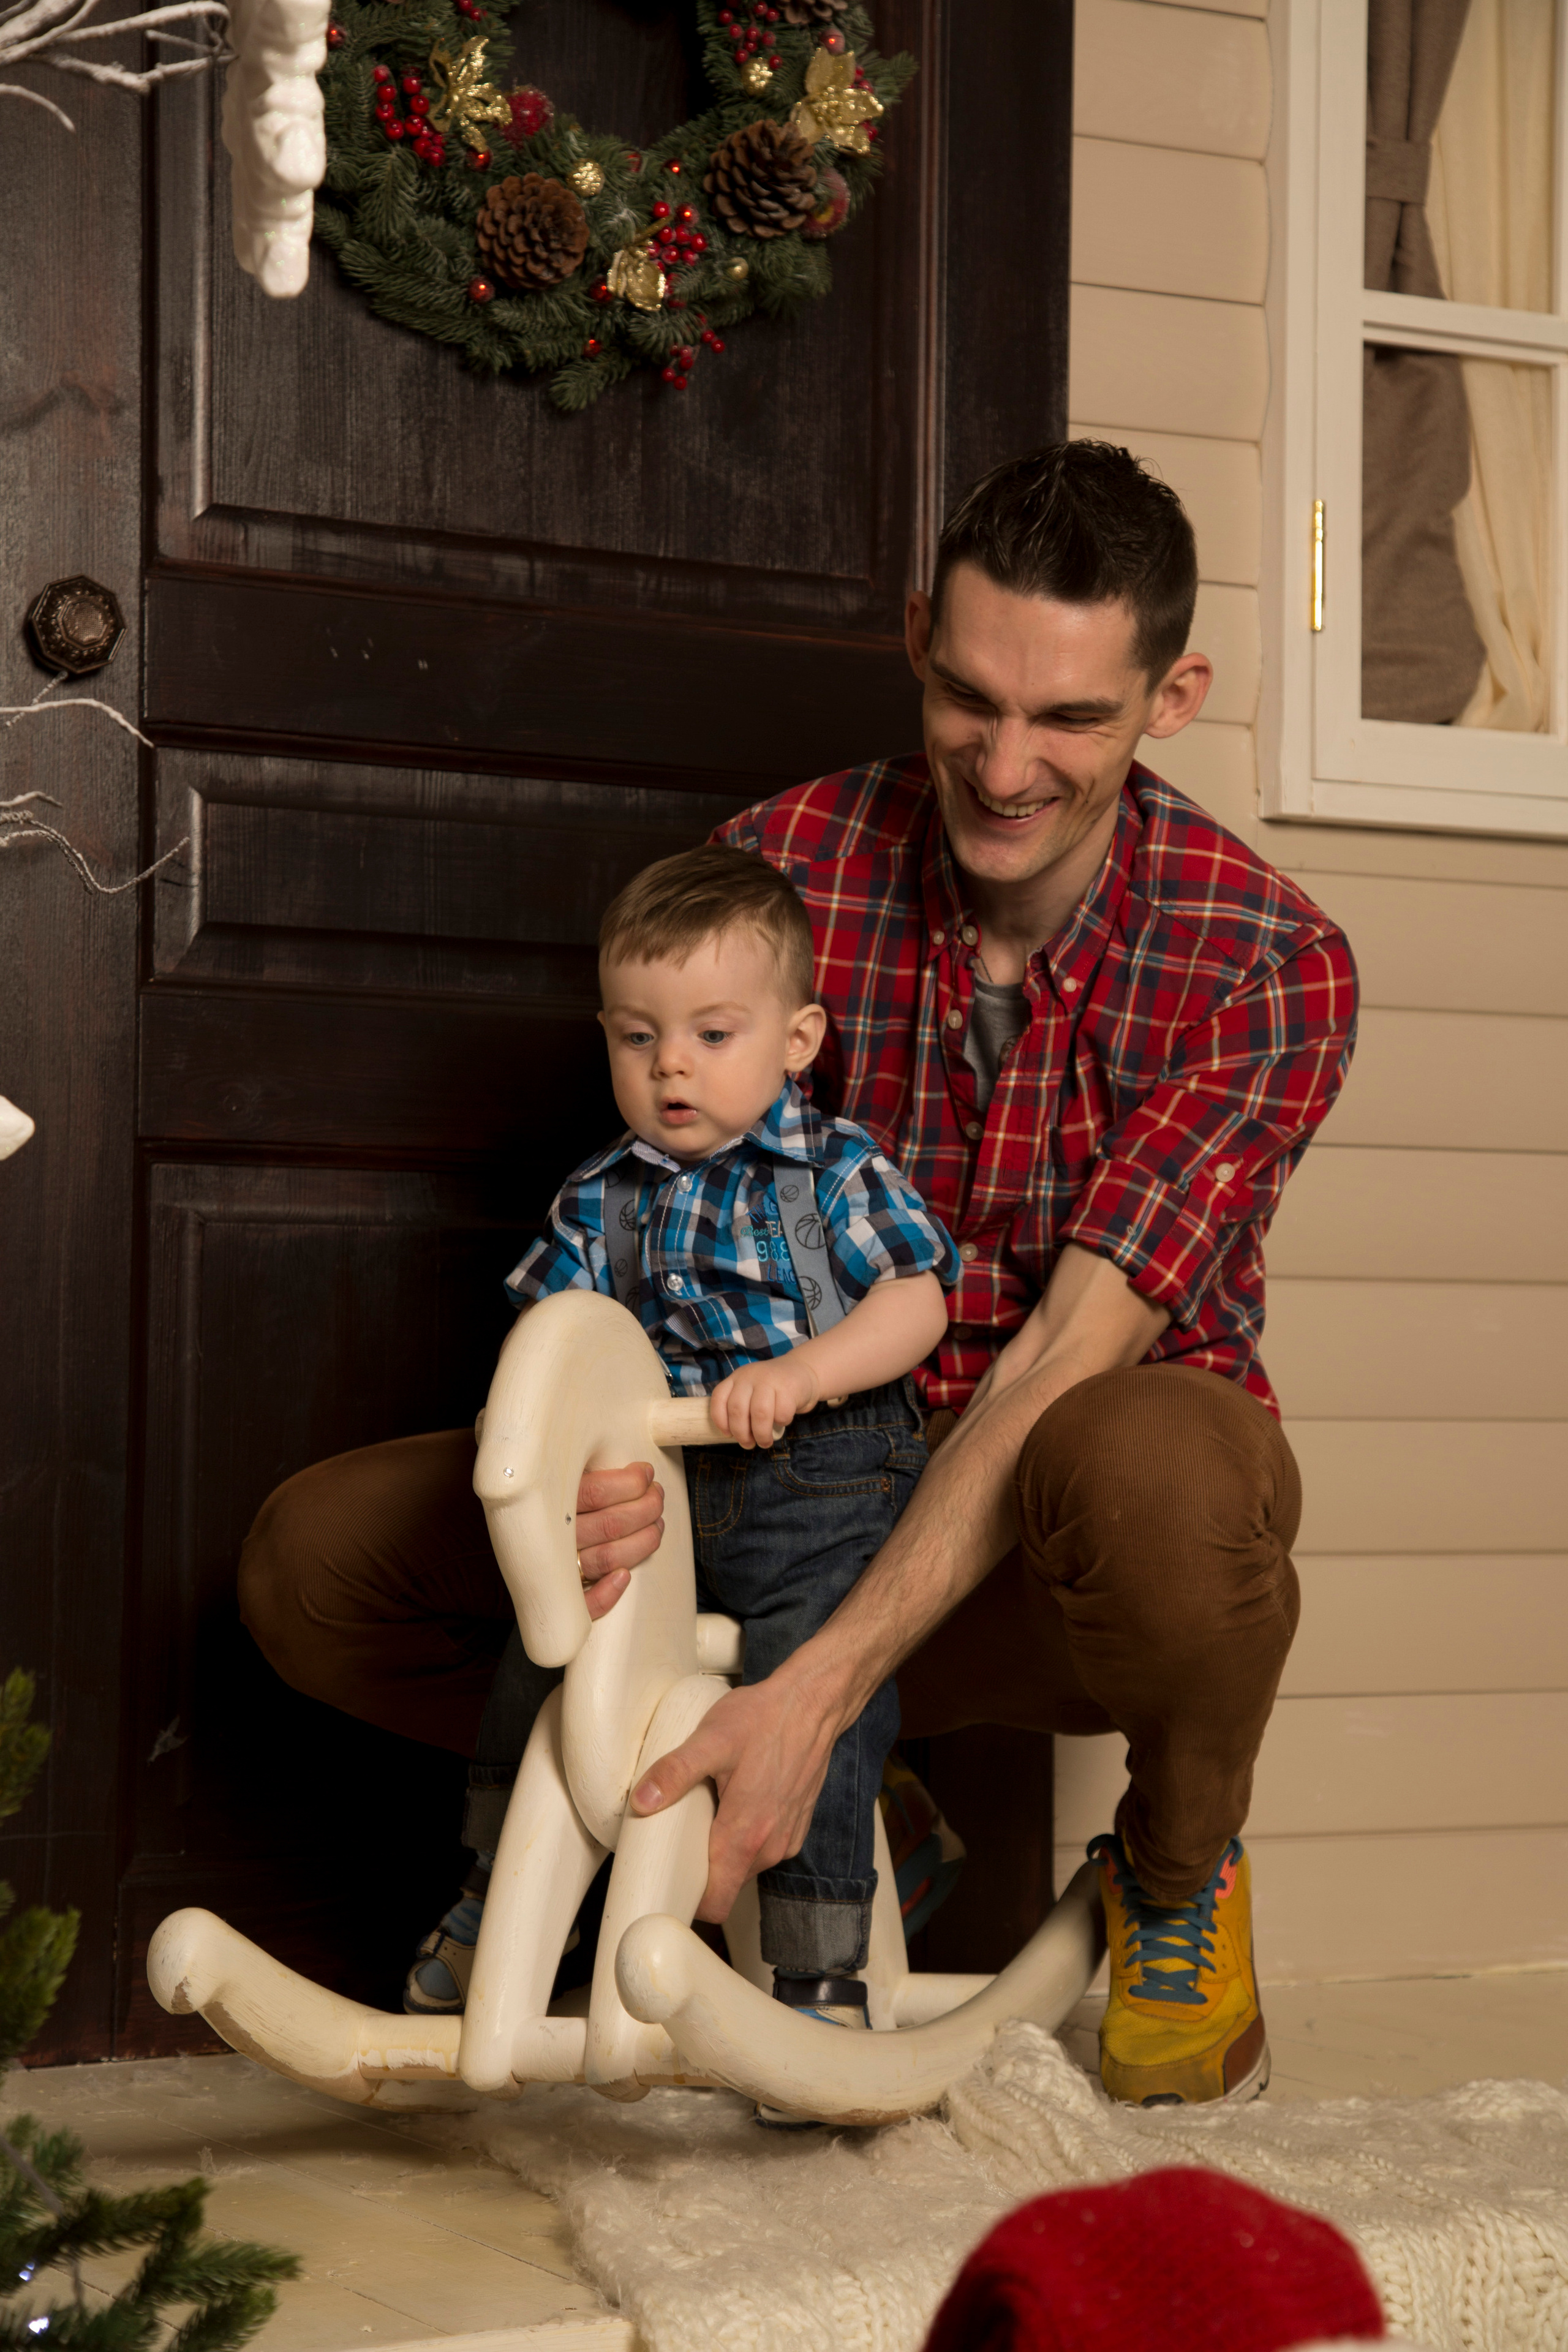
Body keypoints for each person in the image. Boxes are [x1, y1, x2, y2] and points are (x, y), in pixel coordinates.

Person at [239, 441, 1358, 2108]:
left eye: (1071, 720)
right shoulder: (786, 866)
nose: (1004, 762)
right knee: (313, 1565)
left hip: (1062, 1564)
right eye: (970, 696)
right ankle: (859, 1819)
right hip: (773, 1501)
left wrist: (817, 1693)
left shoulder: (1273, 959)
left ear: (1173, 693)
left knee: (1165, 1472)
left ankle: (1177, 1874)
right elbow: (658, 1230)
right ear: (917, 634)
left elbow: (1065, 1350)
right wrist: (612, 1464)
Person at [492, 843, 957, 2035]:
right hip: (669, 1488)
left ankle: (816, 1968)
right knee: (550, 1628)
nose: (671, 1069)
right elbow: (556, 1341)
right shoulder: (598, 1197)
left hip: (829, 1476)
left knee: (811, 1674)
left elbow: (917, 1301)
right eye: (637, 1039)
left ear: (795, 1041)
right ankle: (488, 1894)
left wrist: (803, 1373)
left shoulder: (828, 1170)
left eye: (710, 1034)